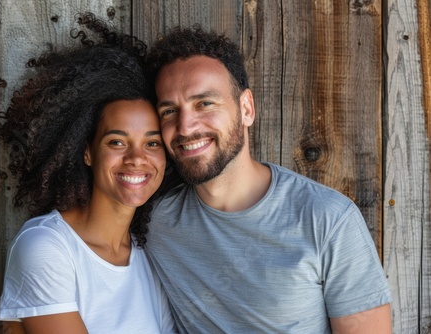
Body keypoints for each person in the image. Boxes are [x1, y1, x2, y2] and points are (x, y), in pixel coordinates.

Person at [144, 25, 393, 333]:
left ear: (246, 108)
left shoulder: (328, 220)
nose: (185, 126)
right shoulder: (154, 223)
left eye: (204, 103)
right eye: (169, 111)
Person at [0, 13, 175, 334]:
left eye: (152, 143)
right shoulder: (46, 247)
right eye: (117, 141)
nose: (137, 158)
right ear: (87, 151)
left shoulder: (147, 258)